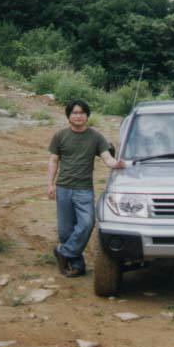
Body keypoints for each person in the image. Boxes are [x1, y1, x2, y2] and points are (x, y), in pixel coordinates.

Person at [47, 100, 125, 277]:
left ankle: (63, 251)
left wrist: (116, 164)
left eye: (81, 113)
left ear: (87, 116)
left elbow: (107, 157)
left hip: (84, 189)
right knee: (65, 231)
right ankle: (77, 265)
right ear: (69, 116)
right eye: (74, 113)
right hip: (63, 188)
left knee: (87, 223)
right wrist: (50, 184)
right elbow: (53, 160)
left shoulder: (96, 137)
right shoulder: (60, 136)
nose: (78, 116)